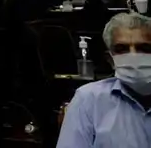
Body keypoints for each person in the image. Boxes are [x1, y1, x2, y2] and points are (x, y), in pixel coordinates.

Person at [56, 13, 151, 148]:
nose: (133, 55)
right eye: (121, 49)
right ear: (110, 59)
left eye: (144, 48)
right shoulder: (88, 100)